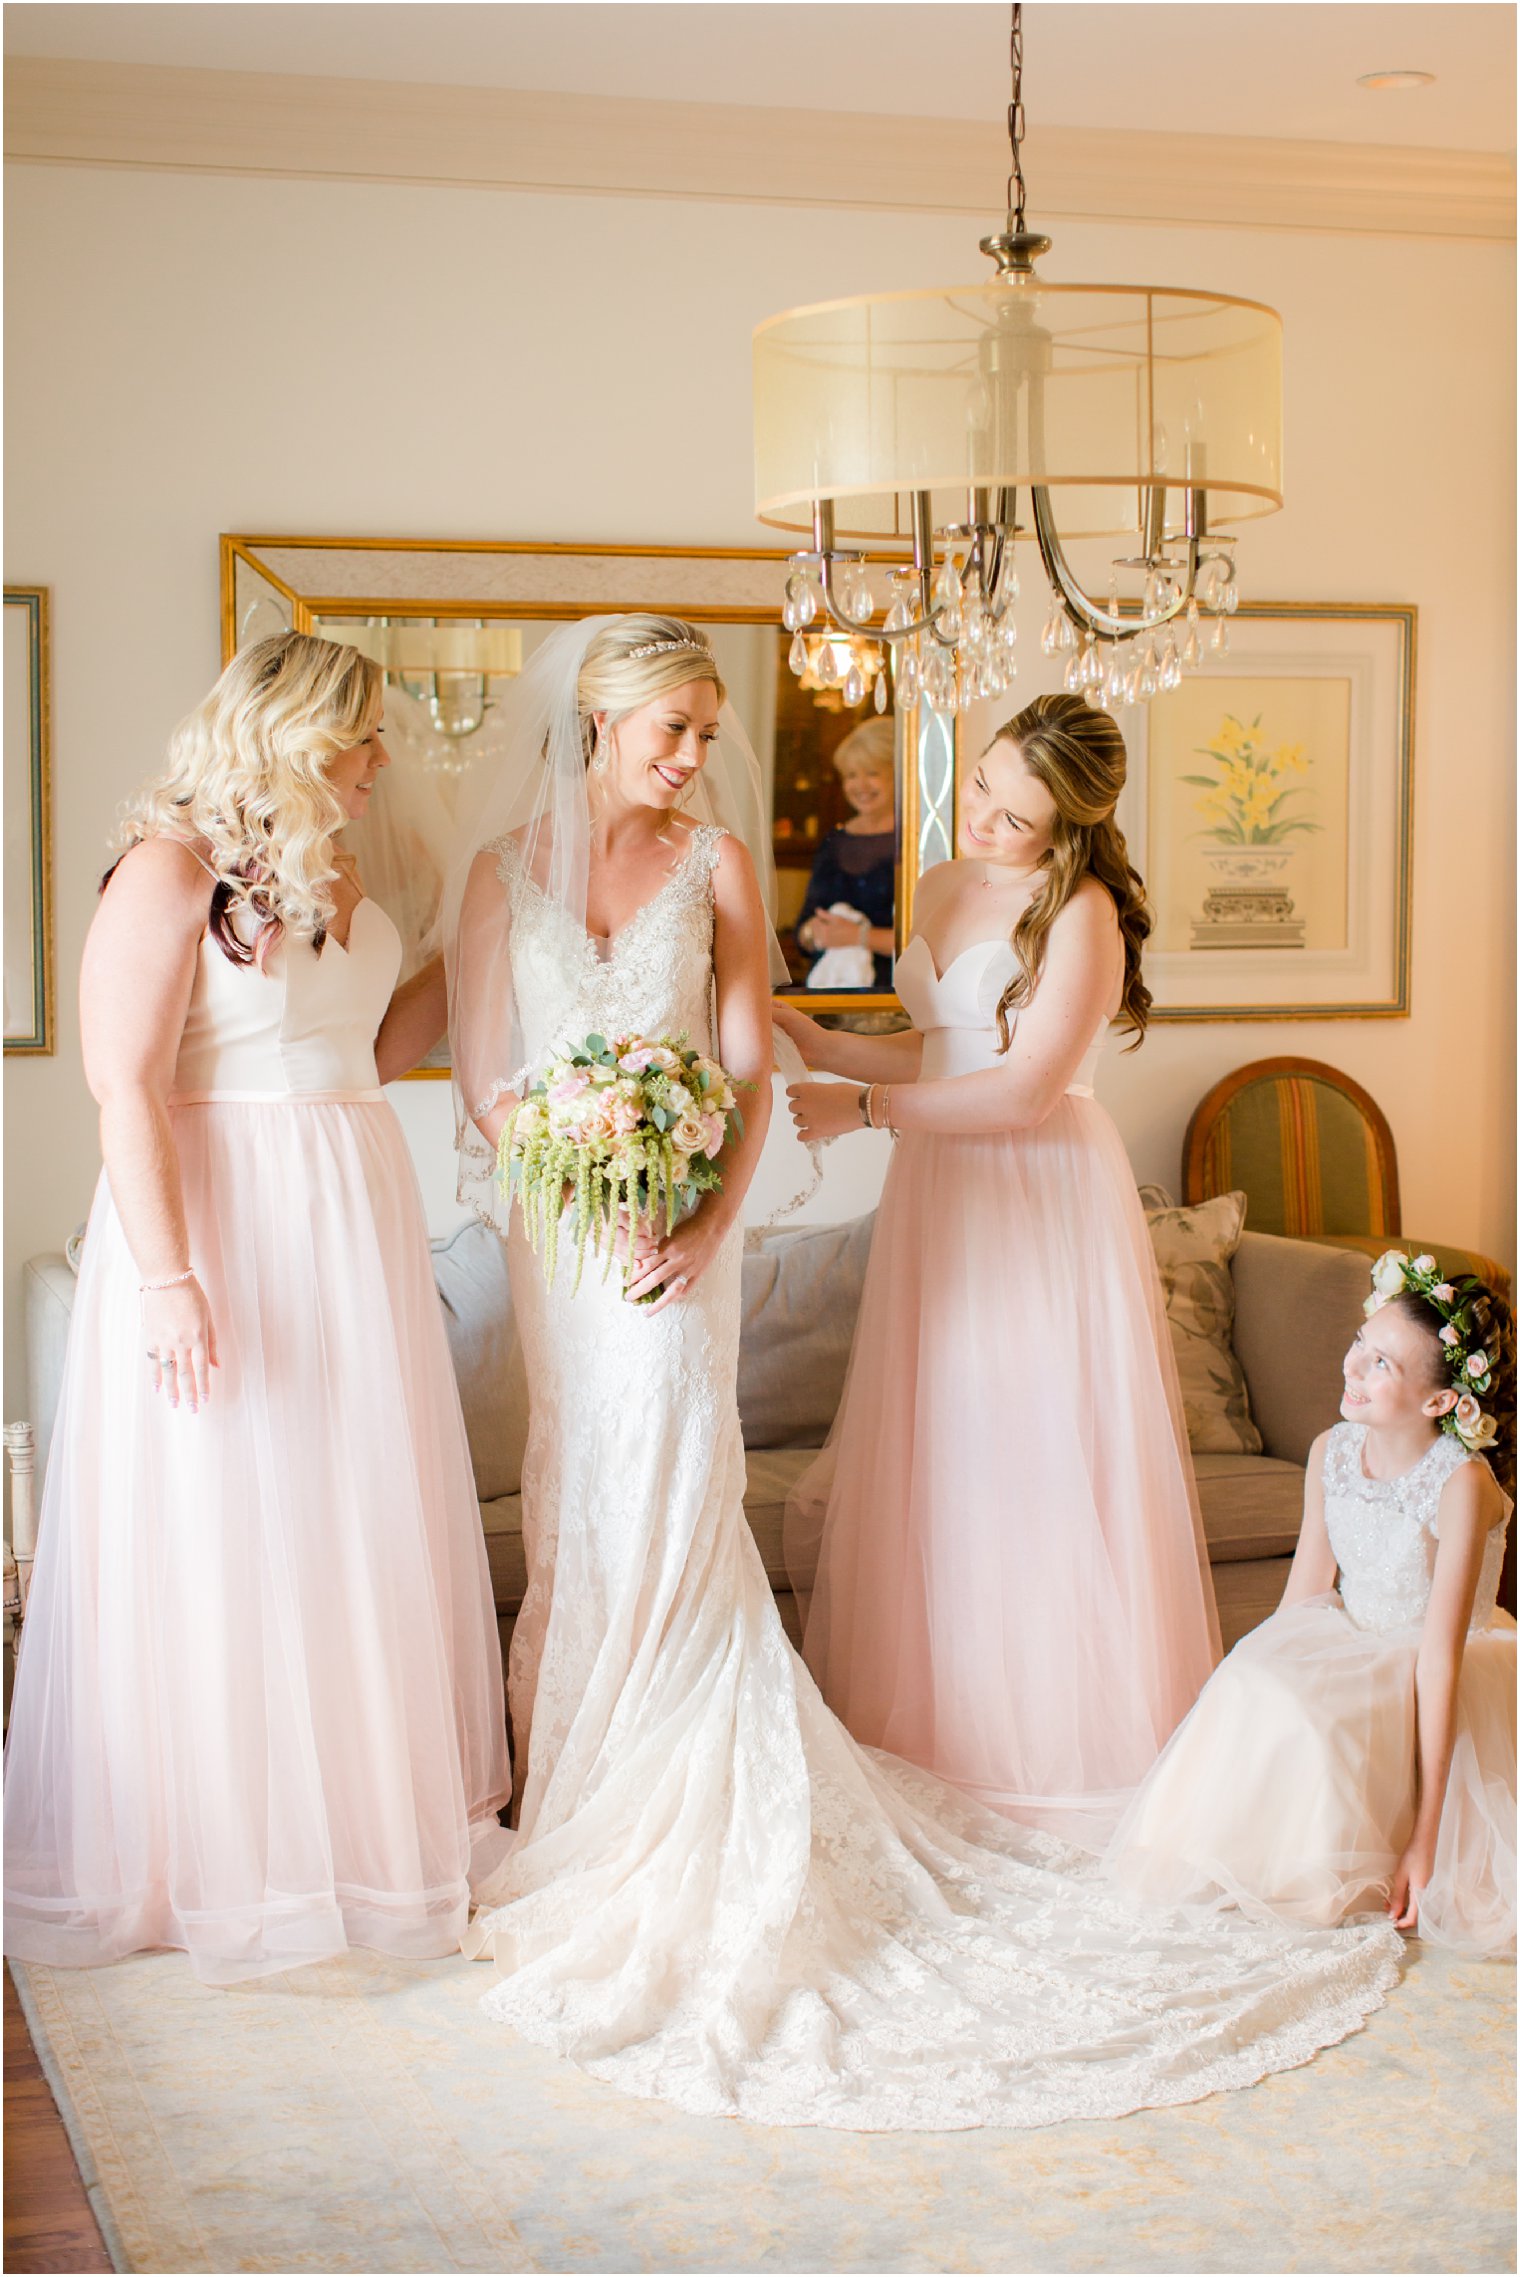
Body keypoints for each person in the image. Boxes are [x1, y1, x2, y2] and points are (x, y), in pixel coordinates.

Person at [444, 616, 1399, 2134]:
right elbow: (826, 1048)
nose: (698, 757)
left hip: (1000, 1195)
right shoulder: (543, 875)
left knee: (954, 1472)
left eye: (1023, 810)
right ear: (604, 721)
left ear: (1076, 821)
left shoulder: (1050, 909)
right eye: (673, 730)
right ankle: (602, 1799)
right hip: (596, 1238)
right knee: (711, 1499)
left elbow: (980, 1083)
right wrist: (669, 1119)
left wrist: (732, 1174)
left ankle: (1007, 1766)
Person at [3, 632, 509, 1984]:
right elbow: (125, 1087)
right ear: (288, 732)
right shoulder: (169, 868)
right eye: (361, 737)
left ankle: (345, 1834)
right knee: (229, 1512)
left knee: (345, 1511)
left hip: (350, 1209)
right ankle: (215, 1851)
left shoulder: (333, 868)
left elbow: (363, 1047)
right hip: (223, 1221)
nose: (380, 761)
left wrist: (472, 951)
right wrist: (168, 1283)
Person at [780, 691, 1219, 1848]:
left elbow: (1023, 1087)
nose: (979, 817)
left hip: (1035, 1196)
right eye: (977, 784)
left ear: (1066, 825)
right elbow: (940, 1041)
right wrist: (819, 1041)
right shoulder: (934, 882)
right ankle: (933, 1737)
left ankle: (1053, 1756)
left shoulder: (1079, 913)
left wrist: (865, 1105)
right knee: (938, 1443)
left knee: (1029, 1455)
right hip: (940, 1193)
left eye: (1013, 815)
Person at [1106, 1255, 1516, 1957]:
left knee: (1319, 1724)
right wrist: (1252, 1678)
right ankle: (1226, 1846)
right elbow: (1302, 1597)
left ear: (1439, 1402)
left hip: (1430, 1661)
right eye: (1362, 1341)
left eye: (1382, 1364)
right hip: (1349, 1633)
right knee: (1251, 1682)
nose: (1353, 1366)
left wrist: (1425, 1836)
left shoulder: (1461, 1485)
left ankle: (1330, 1868)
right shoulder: (1332, 1450)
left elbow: (1439, 1659)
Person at [794, 717, 897, 989]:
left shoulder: (916, 841)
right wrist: (813, 932)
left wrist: (859, 937)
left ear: (898, 773)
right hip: (833, 992)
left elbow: (931, 942)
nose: (860, 785)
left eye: (872, 773)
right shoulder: (834, 841)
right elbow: (802, 930)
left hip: (896, 998)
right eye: (851, 775)